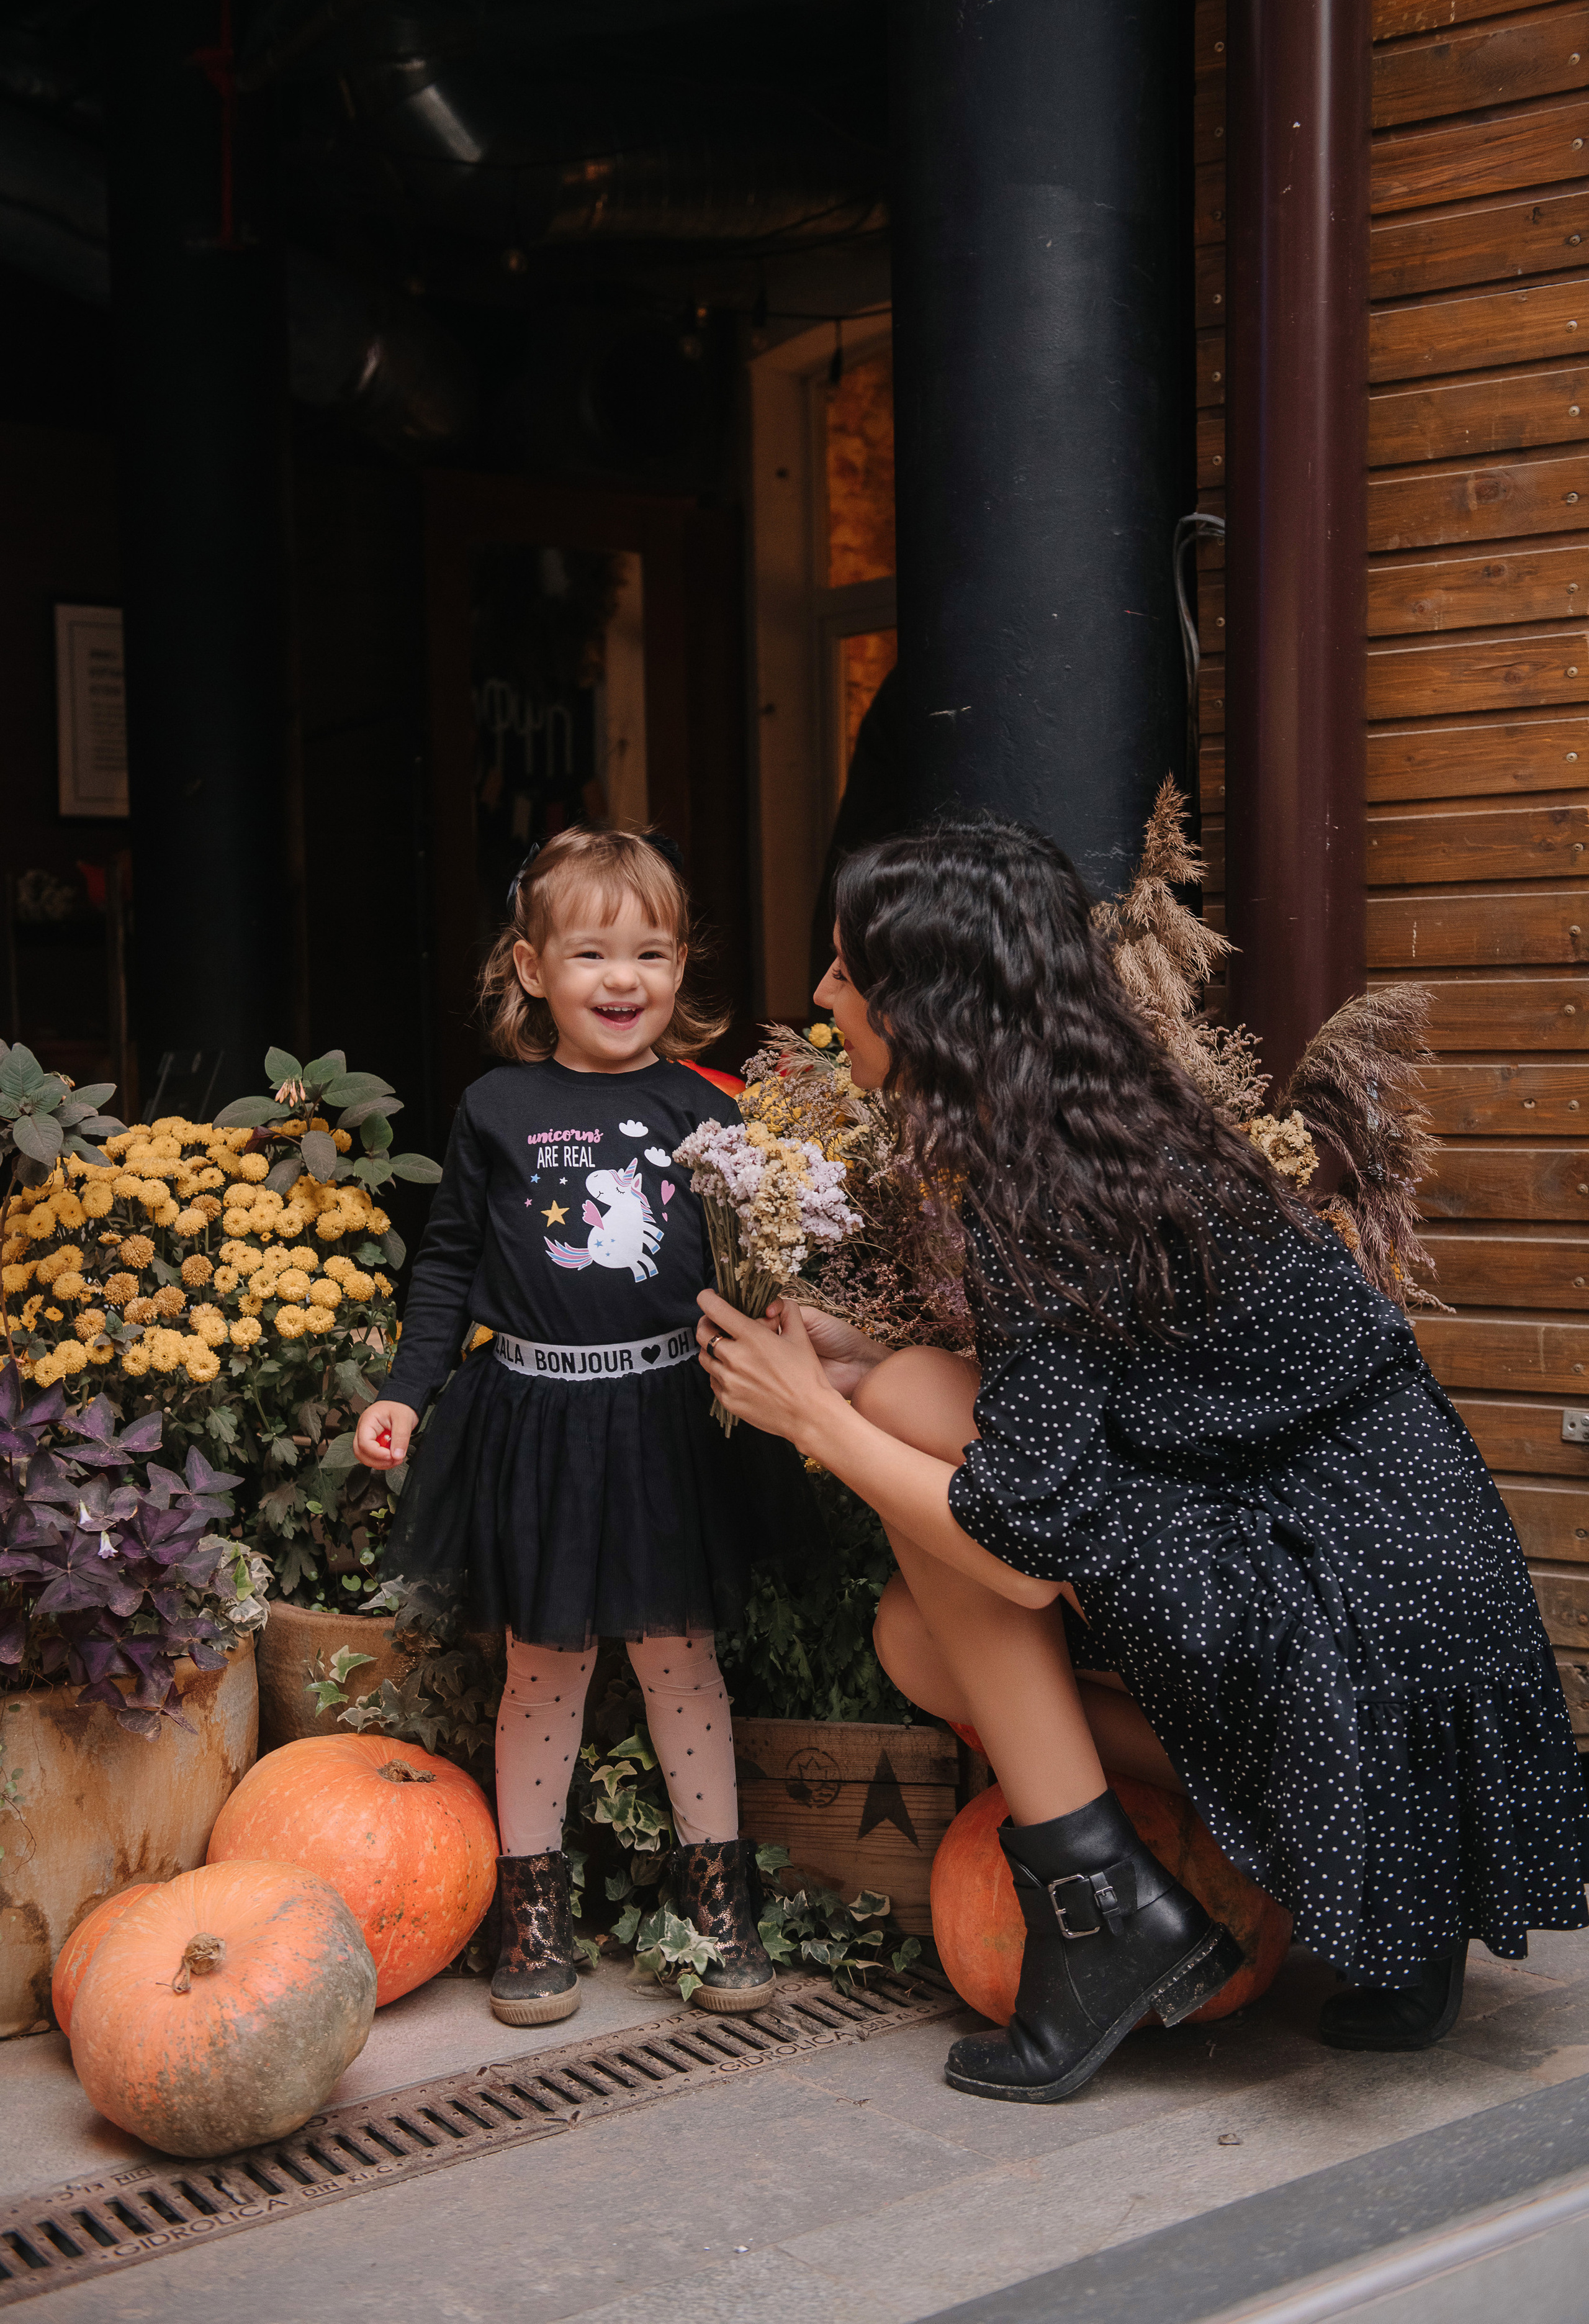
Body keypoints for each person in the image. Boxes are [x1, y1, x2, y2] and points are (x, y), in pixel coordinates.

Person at [695, 818, 1589, 2107]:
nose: (823, 996)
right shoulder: (1091, 1125)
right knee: (912, 1624)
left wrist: (816, 1420)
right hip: (1391, 1576)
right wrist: (844, 1352)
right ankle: (1390, 1842)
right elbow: (1102, 1384)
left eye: (845, 969)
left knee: (907, 1464)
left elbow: (1017, 1542)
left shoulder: (1038, 1180)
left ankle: (1097, 1904)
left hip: (1336, 1583)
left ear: (929, 1003)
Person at [355, 825, 806, 2028]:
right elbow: (448, 1262)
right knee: (543, 1669)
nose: (624, 979)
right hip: (536, 1419)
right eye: (593, 953)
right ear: (529, 967)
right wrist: (405, 1388)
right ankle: (532, 1912)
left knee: (680, 1657)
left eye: (650, 953)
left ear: (678, 967)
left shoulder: (706, 1105)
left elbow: (765, 1252)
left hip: (665, 1413)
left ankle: (720, 1906)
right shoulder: (497, 1107)